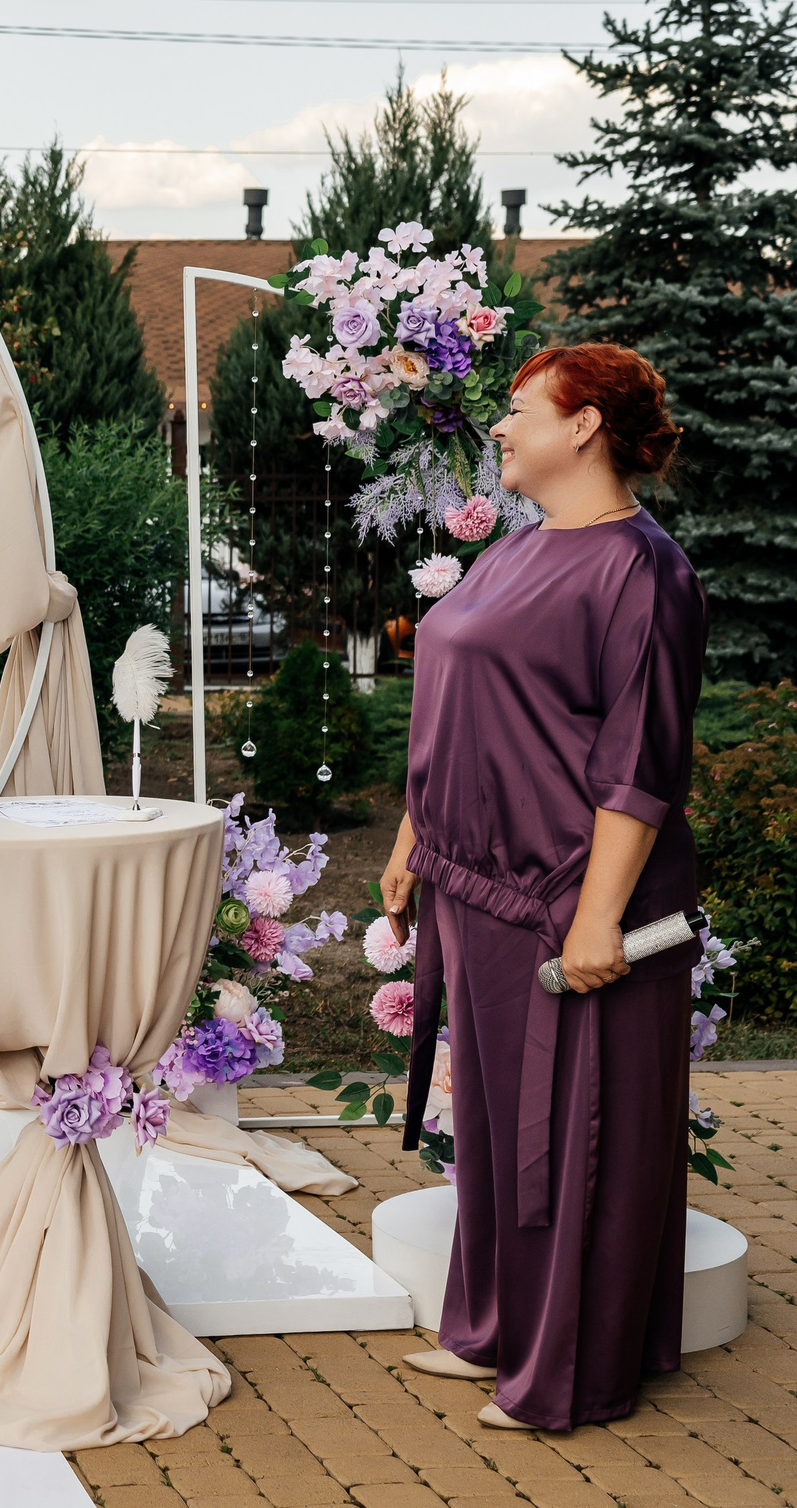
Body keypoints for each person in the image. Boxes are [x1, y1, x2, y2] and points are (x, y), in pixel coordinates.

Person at [385, 342, 706, 1431]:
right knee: (494, 1130)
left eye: (520, 409)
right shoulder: (516, 549)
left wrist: (600, 917)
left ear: (583, 425)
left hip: (572, 903)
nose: (499, 427)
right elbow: (461, 700)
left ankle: (570, 1370)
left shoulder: (643, 572)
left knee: (578, 1139)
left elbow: (640, 762)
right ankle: (493, 1327)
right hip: (478, 889)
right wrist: (414, 834)